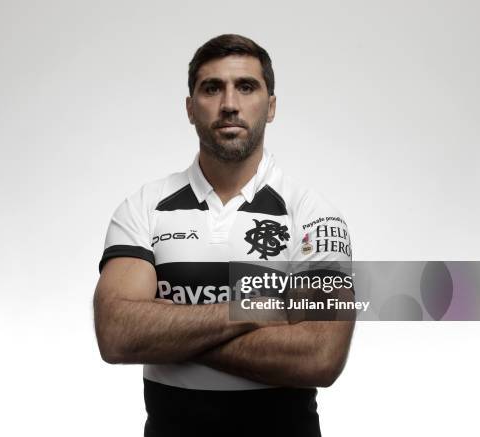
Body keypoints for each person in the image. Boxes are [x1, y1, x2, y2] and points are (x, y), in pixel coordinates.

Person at [94, 34, 355, 437]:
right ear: (189, 107)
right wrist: (256, 309)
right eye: (212, 88)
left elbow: (321, 356)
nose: (229, 103)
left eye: (246, 87)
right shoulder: (145, 206)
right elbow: (116, 334)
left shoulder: (312, 213)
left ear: (270, 107)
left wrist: (169, 332)